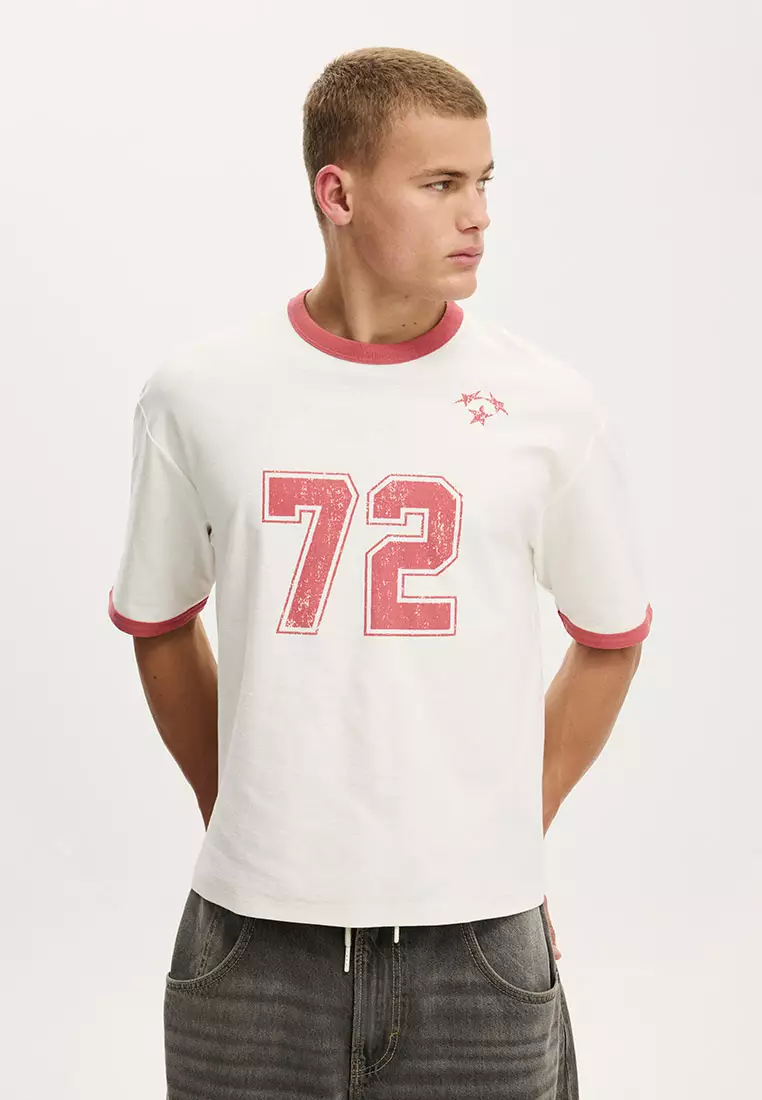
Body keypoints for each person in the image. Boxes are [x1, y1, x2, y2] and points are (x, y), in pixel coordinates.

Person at [108, 46, 652, 1099]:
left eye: (484, 181)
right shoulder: (200, 394)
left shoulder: (549, 407)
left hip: (481, 949)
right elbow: (160, 622)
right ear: (339, 193)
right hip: (250, 947)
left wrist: (510, 822)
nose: (477, 214)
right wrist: (240, 804)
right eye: (441, 183)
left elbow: (611, 639)